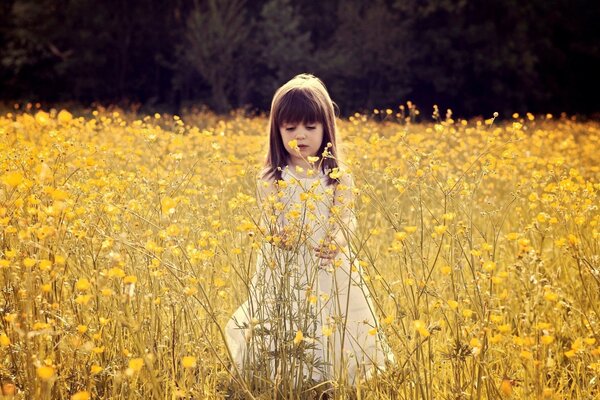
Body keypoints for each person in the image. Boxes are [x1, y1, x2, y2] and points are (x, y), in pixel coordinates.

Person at [225, 74, 393, 390]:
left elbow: (346, 219)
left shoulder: (337, 176)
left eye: (310, 128)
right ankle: (286, 378)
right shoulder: (273, 177)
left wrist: (336, 241)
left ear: (326, 129)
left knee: (336, 320)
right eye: (290, 128)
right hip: (285, 266)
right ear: (277, 131)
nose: (300, 135)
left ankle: (332, 381)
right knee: (283, 319)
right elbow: (270, 221)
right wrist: (278, 235)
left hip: (329, 264)